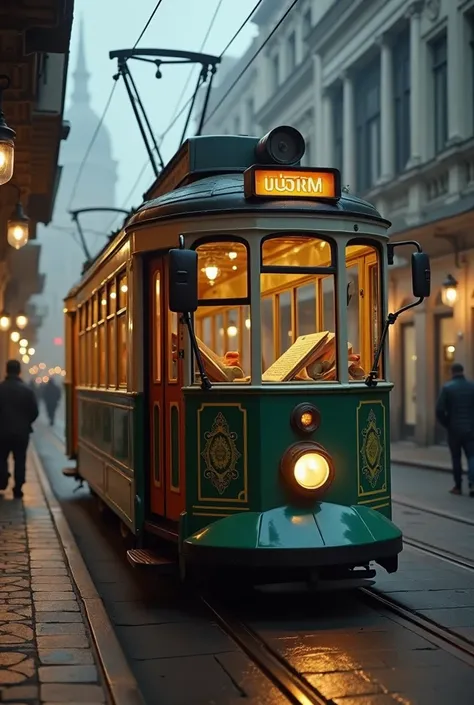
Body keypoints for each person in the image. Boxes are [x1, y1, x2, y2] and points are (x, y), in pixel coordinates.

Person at [0, 360, 39, 498]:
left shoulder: (1, 389)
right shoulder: (27, 391)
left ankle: (2, 480)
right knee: (20, 459)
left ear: (6, 370)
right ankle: (18, 487)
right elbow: (34, 412)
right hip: (21, 432)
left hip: (2, 432)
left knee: (1, 457)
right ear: (19, 371)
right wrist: (25, 422)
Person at [436, 362, 474, 496]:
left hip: (454, 430)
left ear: (452, 372)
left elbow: (439, 410)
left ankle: (458, 486)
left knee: (456, 458)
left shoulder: (447, 388)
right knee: (472, 456)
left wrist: (447, 423)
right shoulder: (472, 387)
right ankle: (472, 484)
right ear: (463, 371)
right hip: (471, 429)